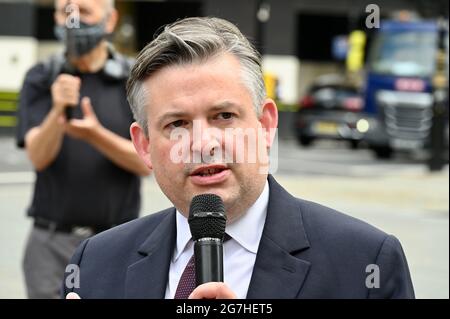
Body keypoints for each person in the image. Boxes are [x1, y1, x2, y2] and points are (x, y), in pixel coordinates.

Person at [62, 17, 415, 299]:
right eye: (177, 123)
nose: (202, 143)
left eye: (224, 116)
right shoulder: (94, 264)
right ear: (144, 145)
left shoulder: (365, 263)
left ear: (265, 125)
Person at [16, 0, 150, 299]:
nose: (74, 20)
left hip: (118, 239)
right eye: (67, 11)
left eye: (85, 12)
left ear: (110, 19)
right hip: (50, 243)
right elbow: (38, 157)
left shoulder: (134, 82)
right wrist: (57, 111)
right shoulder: (41, 76)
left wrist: (96, 135)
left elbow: (147, 163)